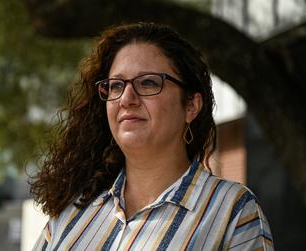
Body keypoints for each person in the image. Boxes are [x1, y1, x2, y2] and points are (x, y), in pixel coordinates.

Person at [31, 22, 274, 251]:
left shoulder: (232, 211)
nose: (126, 99)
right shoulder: (71, 213)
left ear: (191, 105)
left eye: (147, 83)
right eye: (116, 86)